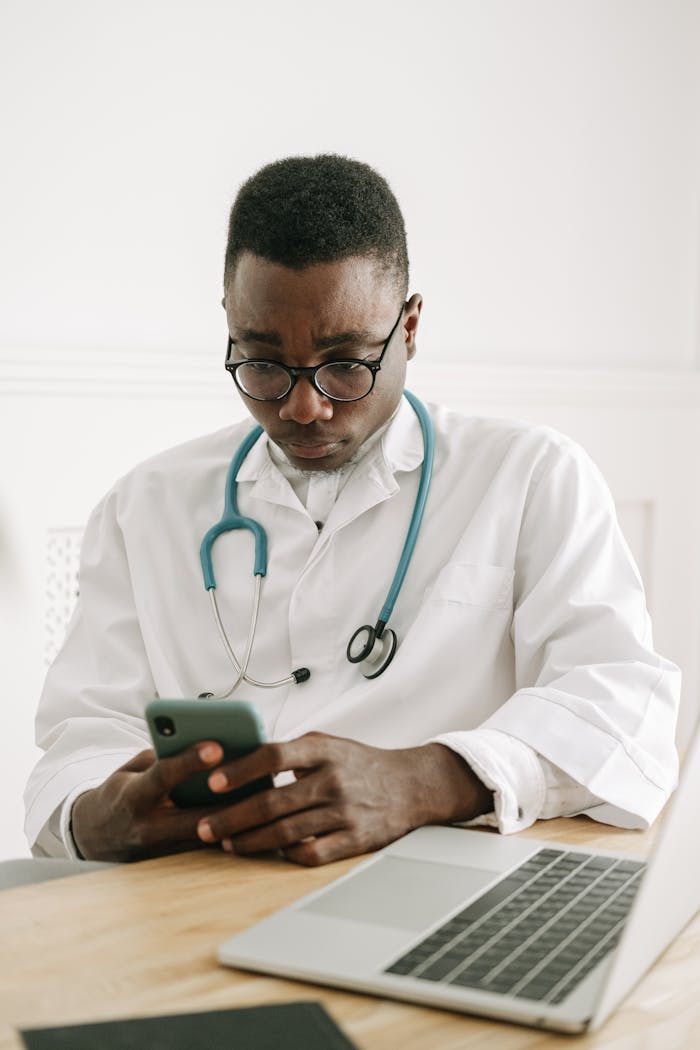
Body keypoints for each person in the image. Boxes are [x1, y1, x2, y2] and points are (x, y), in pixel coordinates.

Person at [25, 155, 680, 865]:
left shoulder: (529, 477)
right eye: (263, 362)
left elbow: (621, 709)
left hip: (436, 884)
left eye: (346, 362)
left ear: (409, 328)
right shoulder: (144, 507)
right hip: (193, 888)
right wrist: (91, 816)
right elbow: (79, 737)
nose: (304, 406)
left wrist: (424, 781)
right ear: (230, 326)